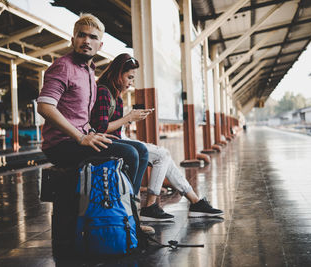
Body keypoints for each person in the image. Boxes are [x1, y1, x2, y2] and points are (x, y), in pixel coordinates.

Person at [37, 15, 153, 234]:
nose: (86, 41)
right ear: (73, 39)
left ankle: (129, 213)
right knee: (130, 154)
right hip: (62, 145)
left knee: (141, 150)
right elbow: (45, 107)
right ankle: (127, 220)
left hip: (79, 140)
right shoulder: (63, 67)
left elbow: (81, 117)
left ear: (100, 45)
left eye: (93, 37)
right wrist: (81, 137)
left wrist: (90, 133)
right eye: (82, 35)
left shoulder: (89, 72)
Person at [90, 53, 223, 222]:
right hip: (110, 142)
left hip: (118, 138)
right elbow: (101, 128)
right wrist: (129, 118)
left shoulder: (115, 93)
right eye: (129, 77)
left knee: (163, 155)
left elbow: (113, 124)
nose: (131, 82)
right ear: (118, 74)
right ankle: (153, 206)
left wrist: (130, 119)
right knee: (162, 155)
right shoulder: (103, 92)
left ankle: (194, 202)